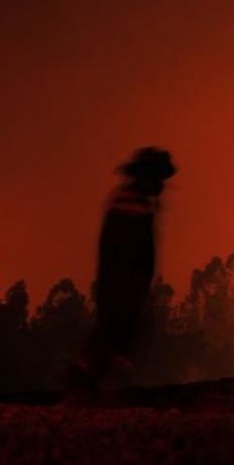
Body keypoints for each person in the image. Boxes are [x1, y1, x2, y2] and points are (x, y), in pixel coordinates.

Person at [64, 146, 176, 397]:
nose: (162, 185)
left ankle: (91, 383)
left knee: (116, 331)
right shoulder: (132, 203)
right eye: (158, 178)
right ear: (149, 177)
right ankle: (87, 382)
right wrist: (133, 280)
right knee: (118, 330)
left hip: (120, 277)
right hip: (124, 278)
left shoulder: (129, 200)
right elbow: (131, 247)